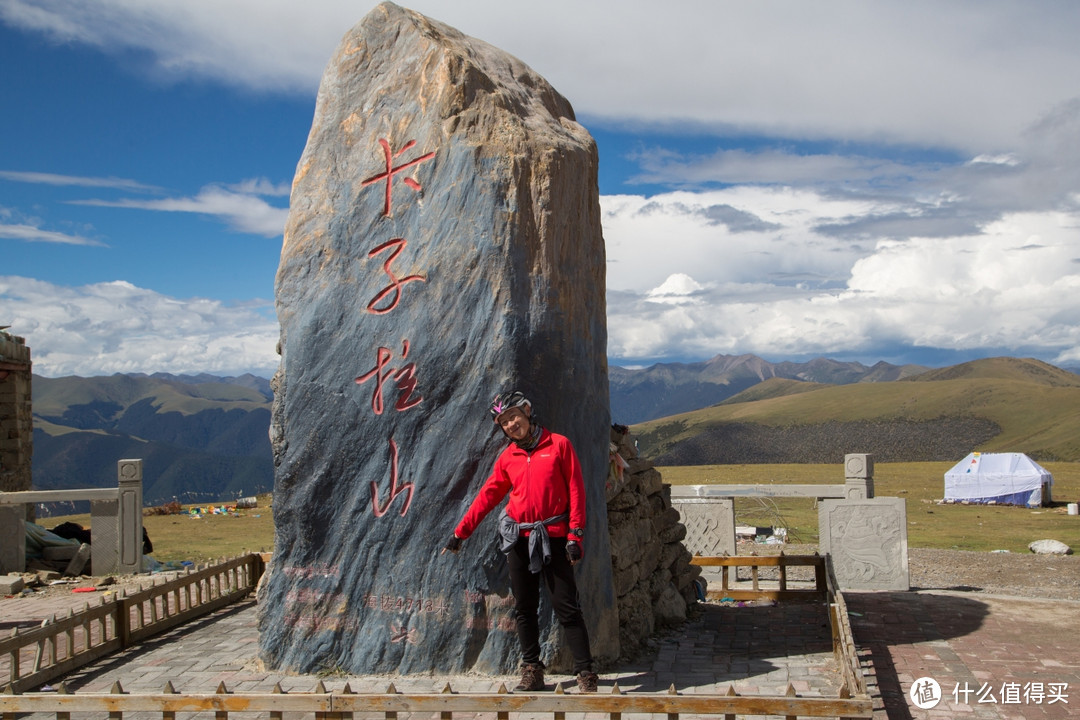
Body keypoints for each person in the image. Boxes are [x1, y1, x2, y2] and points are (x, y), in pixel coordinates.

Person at [444, 391, 599, 693]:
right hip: (518, 539)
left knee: (566, 606)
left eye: (514, 415)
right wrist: (460, 533)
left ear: (528, 411)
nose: (512, 424)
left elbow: (577, 492)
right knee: (524, 608)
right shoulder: (508, 458)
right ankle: (532, 670)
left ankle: (585, 672)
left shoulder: (559, 445)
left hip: (554, 538)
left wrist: (575, 535)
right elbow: (488, 496)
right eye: (504, 422)